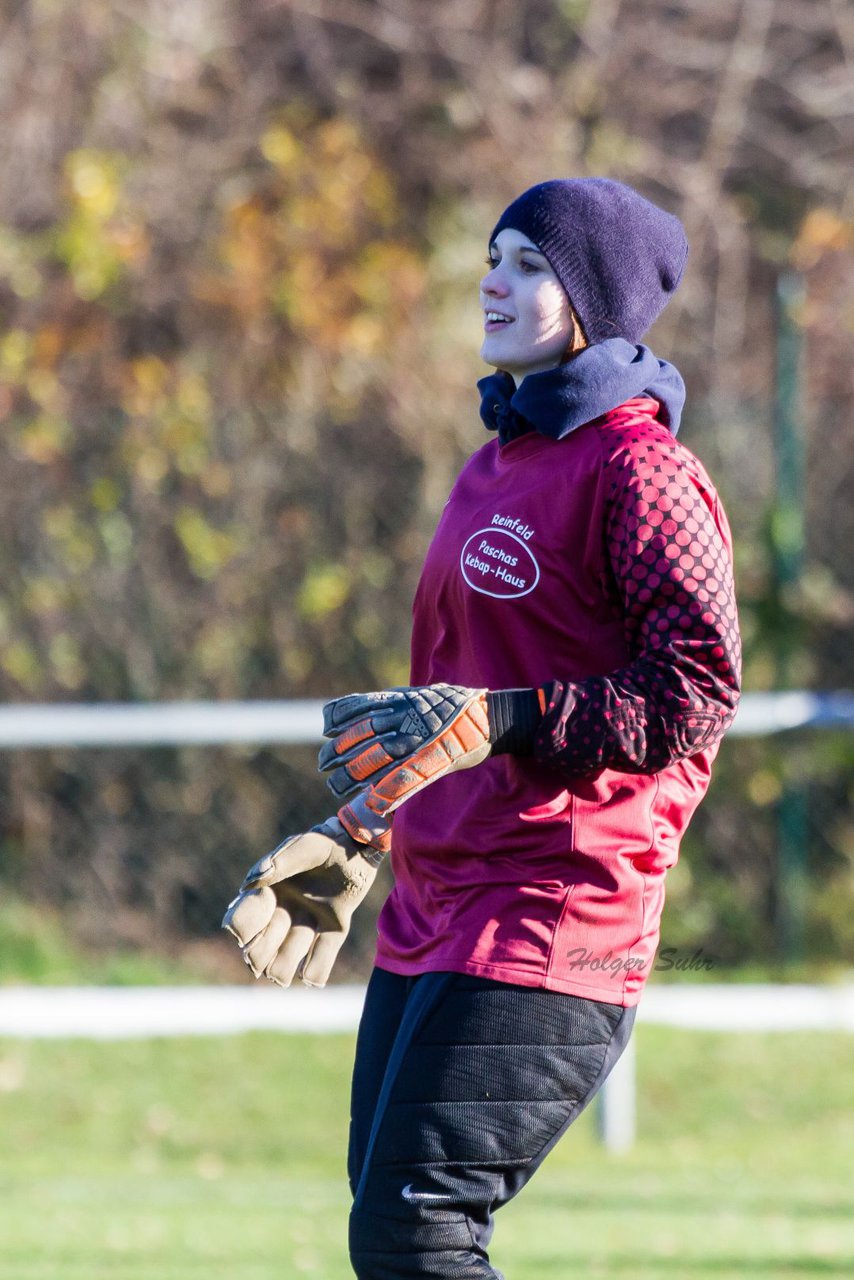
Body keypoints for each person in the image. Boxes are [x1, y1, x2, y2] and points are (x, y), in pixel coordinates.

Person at [223, 177, 741, 1279]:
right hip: (433, 906)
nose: (490, 279)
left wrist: (502, 720)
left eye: (527, 263)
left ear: (591, 295)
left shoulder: (643, 474)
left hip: (558, 912)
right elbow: (455, 704)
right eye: (492, 253)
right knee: (393, 1234)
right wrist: (366, 828)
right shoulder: (492, 460)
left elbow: (694, 690)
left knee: (418, 1238)